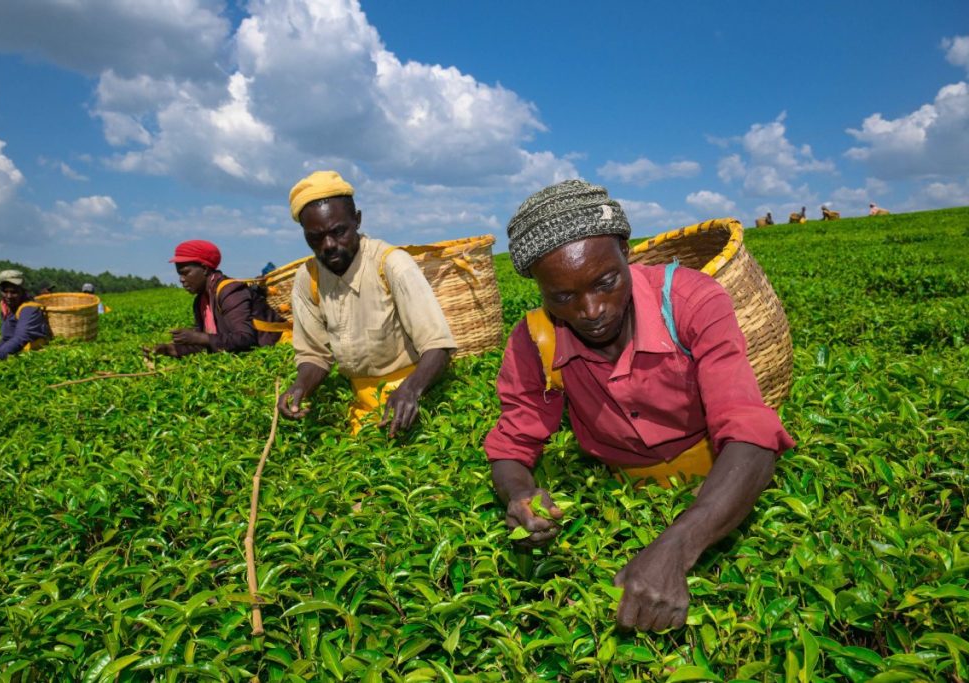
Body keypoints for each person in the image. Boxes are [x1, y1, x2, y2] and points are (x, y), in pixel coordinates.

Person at [484, 180, 794, 632]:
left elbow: (750, 434)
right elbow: (512, 443)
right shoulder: (535, 341)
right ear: (540, 287)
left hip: (725, 487)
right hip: (625, 495)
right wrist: (519, 494)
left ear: (626, 253)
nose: (592, 310)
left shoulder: (690, 302)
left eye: (605, 283)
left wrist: (677, 546)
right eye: (563, 297)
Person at [279, 170, 456, 436]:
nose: (328, 245)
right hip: (361, 406)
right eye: (316, 237)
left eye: (338, 232)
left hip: (416, 395)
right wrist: (301, 387)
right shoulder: (309, 278)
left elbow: (438, 346)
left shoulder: (392, 264)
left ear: (357, 220)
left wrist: (410, 390)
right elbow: (314, 355)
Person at [144, 240, 260, 358]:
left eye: (185, 273)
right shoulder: (200, 301)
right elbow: (209, 344)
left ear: (204, 269)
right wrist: (169, 349)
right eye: (179, 274)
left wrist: (197, 337)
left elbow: (246, 339)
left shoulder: (230, 292)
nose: (181, 279)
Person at [0, 270, 52, 360]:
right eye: (5, 291)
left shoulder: (29, 309)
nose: (9, 296)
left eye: (14, 292)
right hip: (17, 349)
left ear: (22, 291)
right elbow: (8, 336)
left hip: (31, 354)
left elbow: (21, 338)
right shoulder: (6, 308)